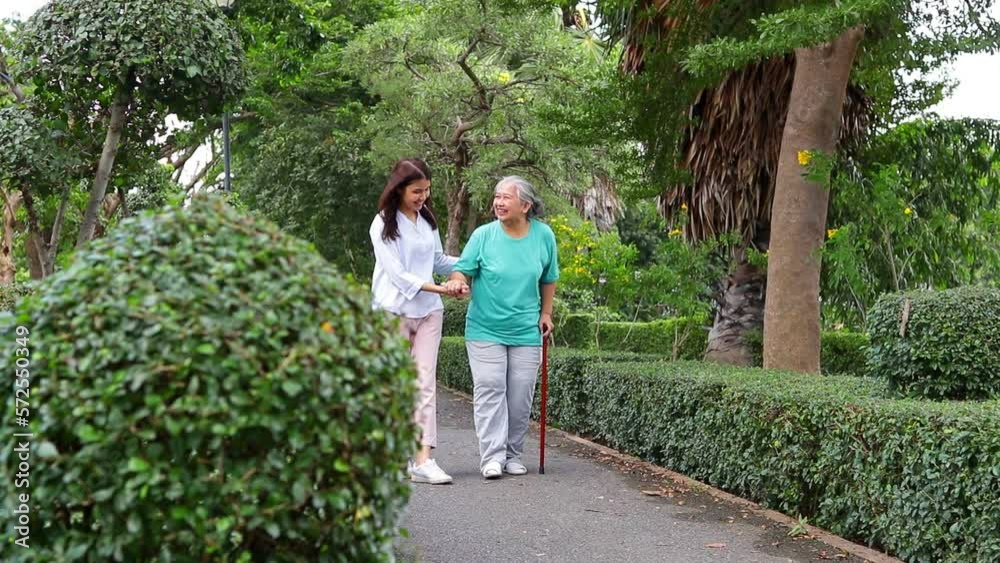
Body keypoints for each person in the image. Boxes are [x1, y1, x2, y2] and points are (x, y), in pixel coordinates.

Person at [445, 176, 559, 479]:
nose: (498, 202)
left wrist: (546, 313)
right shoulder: (483, 235)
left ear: (526, 205)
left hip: (525, 330)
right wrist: (457, 282)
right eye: (497, 196)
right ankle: (492, 457)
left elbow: (549, 277)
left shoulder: (544, 236)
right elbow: (463, 269)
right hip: (485, 328)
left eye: (506, 197)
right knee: (490, 387)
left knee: (520, 396)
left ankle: (512, 453)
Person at [370, 158, 466, 485]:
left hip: (429, 312)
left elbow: (438, 259)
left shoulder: (427, 221)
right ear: (399, 189)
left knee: (425, 384)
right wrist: (442, 286)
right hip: (391, 311)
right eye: (416, 191)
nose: (422, 197)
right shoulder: (382, 224)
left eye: (426, 190)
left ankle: (423, 459)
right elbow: (399, 276)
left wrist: (472, 263)